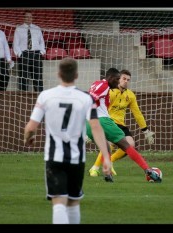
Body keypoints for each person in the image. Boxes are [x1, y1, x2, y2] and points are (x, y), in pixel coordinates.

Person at [23, 57, 112, 224]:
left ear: (58, 74)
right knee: (73, 202)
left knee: (58, 202)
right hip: (77, 158)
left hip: (54, 157)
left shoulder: (46, 96)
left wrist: (29, 138)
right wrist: (106, 156)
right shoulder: (86, 99)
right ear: (76, 75)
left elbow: (30, 128)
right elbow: (96, 127)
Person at [86, 67, 161, 182]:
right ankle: (148, 170)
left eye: (127, 79)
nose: (122, 81)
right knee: (124, 145)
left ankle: (107, 173)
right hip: (105, 121)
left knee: (113, 146)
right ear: (111, 78)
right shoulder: (106, 87)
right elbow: (90, 98)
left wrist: (145, 130)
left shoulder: (127, 94)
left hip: (96, 122)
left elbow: (137, 113)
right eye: (119, 79)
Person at [13, 11, 46, 92]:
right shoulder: (19, 29)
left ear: (32, 18)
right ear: (24, 18)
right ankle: (23, 97)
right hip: (24, 54)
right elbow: (15, 43)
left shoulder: (37, 28)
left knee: (38, 76)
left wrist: (41, 52)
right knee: (23, 77)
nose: (28, 18)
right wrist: (20, 54)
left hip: (36, 54)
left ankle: (39, 94)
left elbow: (41, 42)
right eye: (27, 17)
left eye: (30, 17)